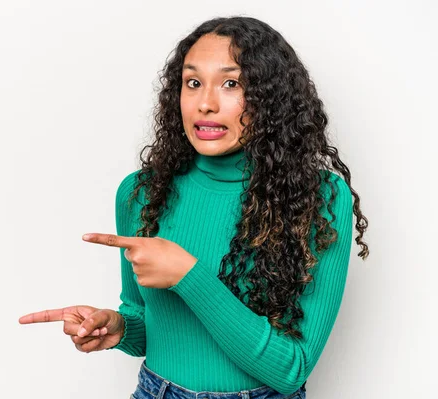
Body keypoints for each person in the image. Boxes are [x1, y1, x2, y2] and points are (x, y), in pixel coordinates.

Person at [18, 16, 369, 399]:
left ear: (272, 97)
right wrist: (118, 327)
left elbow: (291, 370)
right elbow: (144, 320)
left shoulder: (320, 198)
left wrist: (189, 275)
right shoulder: (142, 192)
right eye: (193, 82)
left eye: (232, 83)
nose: (205, 103)